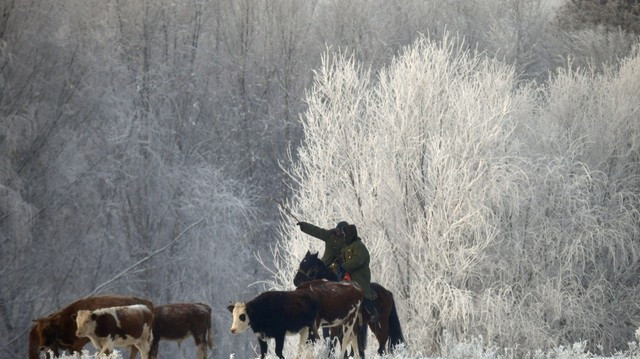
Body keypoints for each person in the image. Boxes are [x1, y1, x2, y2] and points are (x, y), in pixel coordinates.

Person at [297, 220, 379, 322]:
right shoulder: (329, 236)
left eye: (342, 232)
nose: (340, 233)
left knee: (343, 284)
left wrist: (341, 263)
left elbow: (351, 257)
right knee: (312, 276)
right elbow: (317, 231)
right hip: (325, 265)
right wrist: (304, 226)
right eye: (339, 231)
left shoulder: (348, 242)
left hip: (338, 267)